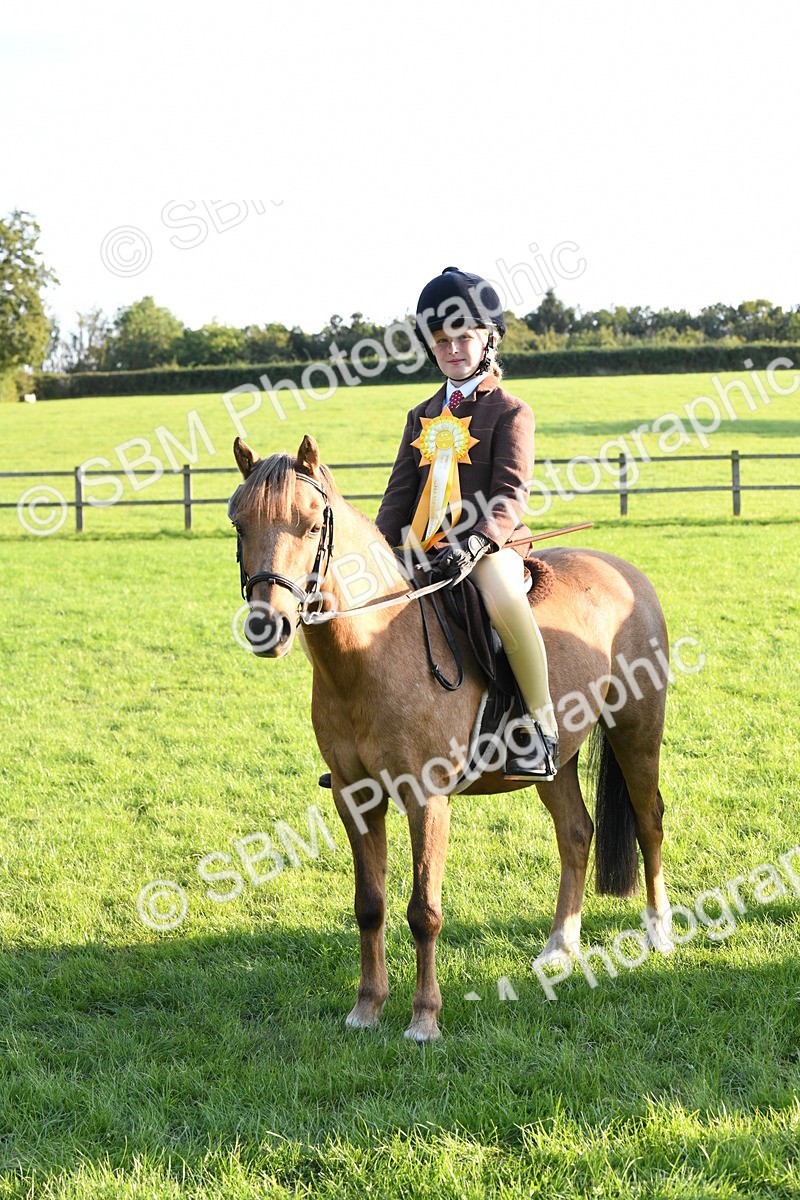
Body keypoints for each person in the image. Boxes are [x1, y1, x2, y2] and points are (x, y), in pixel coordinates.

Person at [374, 266, 559, 781]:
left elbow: (511, 493)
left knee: (500, 597)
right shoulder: (421, 414)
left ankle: (538, 728)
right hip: (420, 546)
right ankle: (368, 740)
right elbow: (398, 495)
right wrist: (376, 547)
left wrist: (480, 542)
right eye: (441, 341)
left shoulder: (509, 411)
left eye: (463, 337)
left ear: (488, 339)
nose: (452, 349)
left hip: (487, 548)